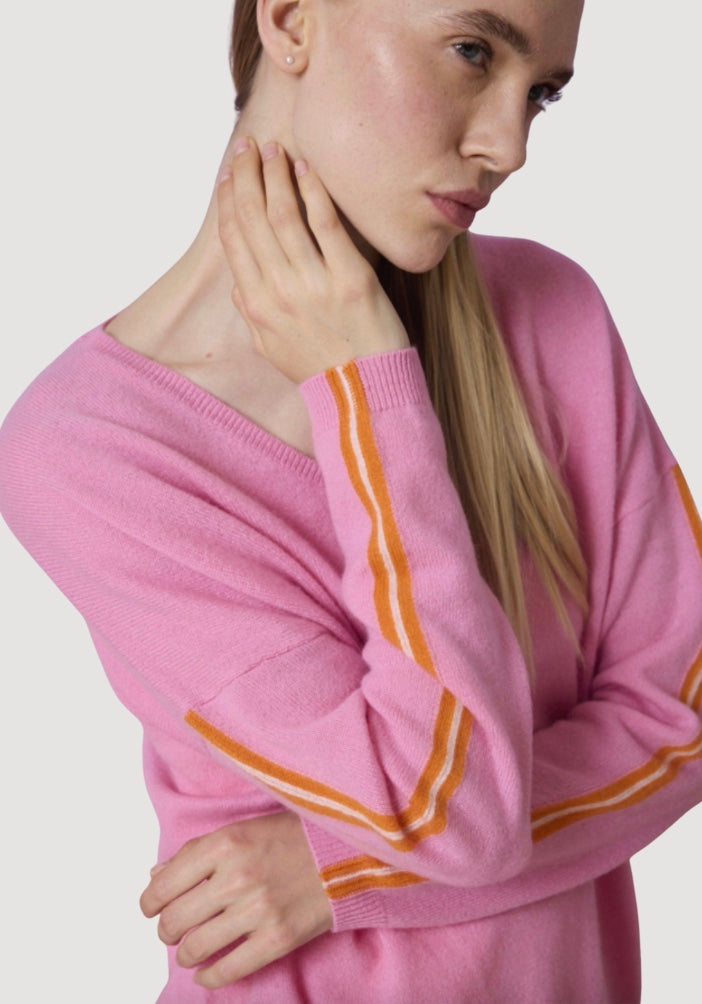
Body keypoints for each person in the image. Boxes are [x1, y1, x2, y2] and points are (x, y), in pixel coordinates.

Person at [1, 0, 700, 1001]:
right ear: (288, 18)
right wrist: (366, 387)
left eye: (541, 93)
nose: (509, 144)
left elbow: (681, 713)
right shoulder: (90, 451)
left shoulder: (553, 314)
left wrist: (344, 865)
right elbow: (450, 817)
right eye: (472, 52)